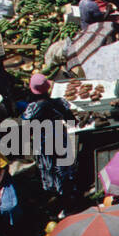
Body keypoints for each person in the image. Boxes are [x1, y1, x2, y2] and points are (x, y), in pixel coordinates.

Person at [23, 74, 78, 204]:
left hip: (43, 143)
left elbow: (27, 128)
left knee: (49, 168)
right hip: (59, 139)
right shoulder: (59, 103)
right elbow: (72, 122)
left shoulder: (31, 109)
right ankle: (69, 193)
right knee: (63, 166)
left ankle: (57, 195)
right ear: (48, 88)